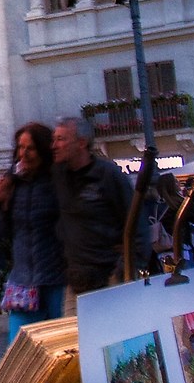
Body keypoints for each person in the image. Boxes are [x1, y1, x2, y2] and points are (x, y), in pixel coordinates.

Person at [0, 124, 66, 342]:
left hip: (55, 277)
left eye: (30, 148)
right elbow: (6, 232)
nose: (24, 153)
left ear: (42, 150)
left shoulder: (57, 181)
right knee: (18, 347)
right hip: (23, 278)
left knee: (56, 344)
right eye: (20, 148)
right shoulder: (13, 184)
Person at [51, 115, 135, 301]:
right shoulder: (59, 175)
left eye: (61, 139)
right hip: (75, 282)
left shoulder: (108, 175)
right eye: (54, 139)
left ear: (81, 143)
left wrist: (124, 270)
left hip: (109, 281)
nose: (54, 145)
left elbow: (134, 221)